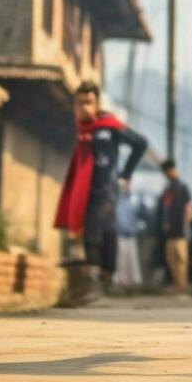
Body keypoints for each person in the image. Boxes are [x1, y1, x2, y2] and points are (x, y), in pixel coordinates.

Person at [53, 82, 148, 295]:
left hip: (105, 190)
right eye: (80, 103)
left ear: (96, 104)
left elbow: (141, 143)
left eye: (89, 102)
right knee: (105, 234)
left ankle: (97, 284)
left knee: (94, 235)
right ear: (74, 106)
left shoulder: (108, 126)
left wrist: (126, 175)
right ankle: (106, 282)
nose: (84, 107)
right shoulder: (81, 129)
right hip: (86, 191)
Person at [158, 159, 192, 295]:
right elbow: (166, 208)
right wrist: (165, 223)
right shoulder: (168, 189)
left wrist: (185, 225)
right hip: (171, 232)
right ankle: (178, 285)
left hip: (181, 231)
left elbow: (188, 208)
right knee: (171, 259)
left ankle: (182, 287)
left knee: (181, 260)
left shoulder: (183, 187)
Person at [114, 189, 144, 289]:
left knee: (132, 260)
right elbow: (120, 220)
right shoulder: (119, 203)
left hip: (130, 235)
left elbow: (137, 217)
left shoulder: (132, 203)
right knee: (122, 260)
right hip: (122, 235)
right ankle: (123, 282)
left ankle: (132, 282)